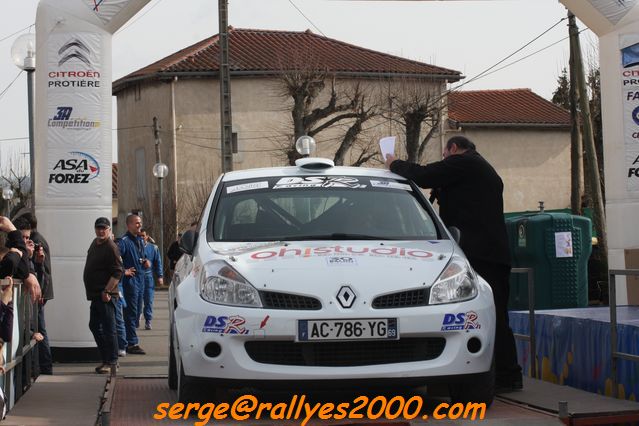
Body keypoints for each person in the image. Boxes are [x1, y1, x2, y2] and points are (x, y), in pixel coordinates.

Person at [385, 135, 523, 391]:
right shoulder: (476, 169)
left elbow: (425, 174)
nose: (445, 160)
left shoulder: (466, 163)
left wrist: (394, 164)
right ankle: (506, 374)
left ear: (454, 149)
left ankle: (507, 375)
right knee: (496, 315)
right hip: (489, 253)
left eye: (446, 155)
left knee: (494, 317)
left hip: (483, 254)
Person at [14, 214, 54, 375]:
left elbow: (41, 279)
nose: (26, 242)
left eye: (27, 237)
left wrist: (37, 263)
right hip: (22, 308)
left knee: (37, 333)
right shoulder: (16, 253)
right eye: (22, 238)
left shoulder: (36, 244)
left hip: (33, 303)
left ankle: (41, 368)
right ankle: (39, 368)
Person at [83, 217, 123, 374]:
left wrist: (107, 291)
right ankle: (106, 358)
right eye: (98, 228)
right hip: (95, 295)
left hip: (106, 296)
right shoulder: (95, 243)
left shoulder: (111, 247)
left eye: (104, 228)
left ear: (109, 230)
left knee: (109, 329)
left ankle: (112, 361)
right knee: (94, 325)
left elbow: (118, 272)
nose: (101, 231)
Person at [117, 214, 148, 355]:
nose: (139, 225)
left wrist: (146, 262)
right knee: (130, 313)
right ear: (129, 225)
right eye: (136, 223)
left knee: (137, 313)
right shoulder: (123, 242)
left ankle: (129, 340)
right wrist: (124, 271)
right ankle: (131, 343)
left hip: (141, 280)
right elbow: (114, 260)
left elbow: (141, 257)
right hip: (130, 283)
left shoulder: (140, 241)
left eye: (140, 222)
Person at [138, 229, 163, 330]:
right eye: (139, 236)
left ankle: (148, 320)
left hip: (148, 277)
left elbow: (158, 262)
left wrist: (160, 276)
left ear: (147, 236)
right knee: (137, 300)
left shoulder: (153, 248)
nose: (141, 238)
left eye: (143, 236)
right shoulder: (134, 247)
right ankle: (137, 317)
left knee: (148, 300)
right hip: (137, 277)